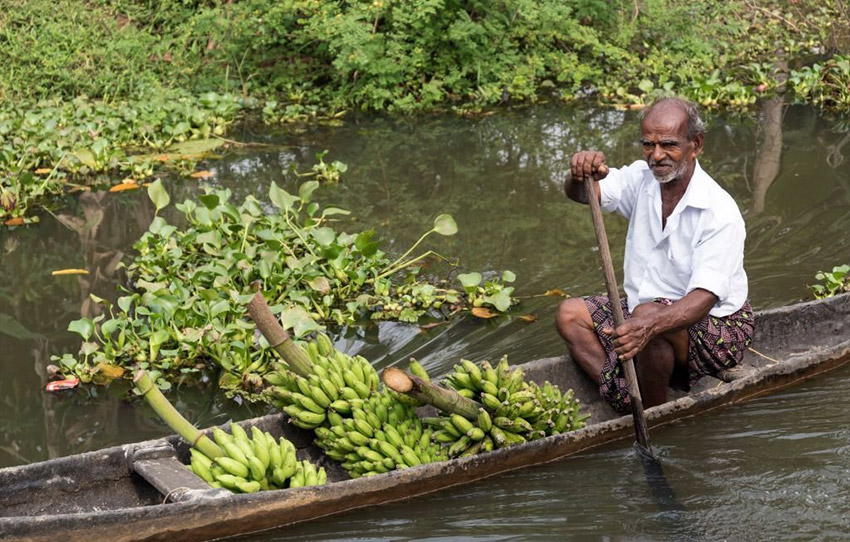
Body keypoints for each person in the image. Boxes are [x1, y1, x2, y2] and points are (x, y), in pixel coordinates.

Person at [555, 97, 754, 414]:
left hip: (717, 326)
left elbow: (703, 299)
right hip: (645, 308)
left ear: (695, 145)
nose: (656, 155)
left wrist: (646, 325)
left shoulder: (719, 211)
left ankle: (656, 415)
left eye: (669, 145)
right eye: (648, 145)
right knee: (569, 315)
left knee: (648, 317)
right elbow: (584, 195)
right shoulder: (641, 179)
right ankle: (625, 396)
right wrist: (579, 176)